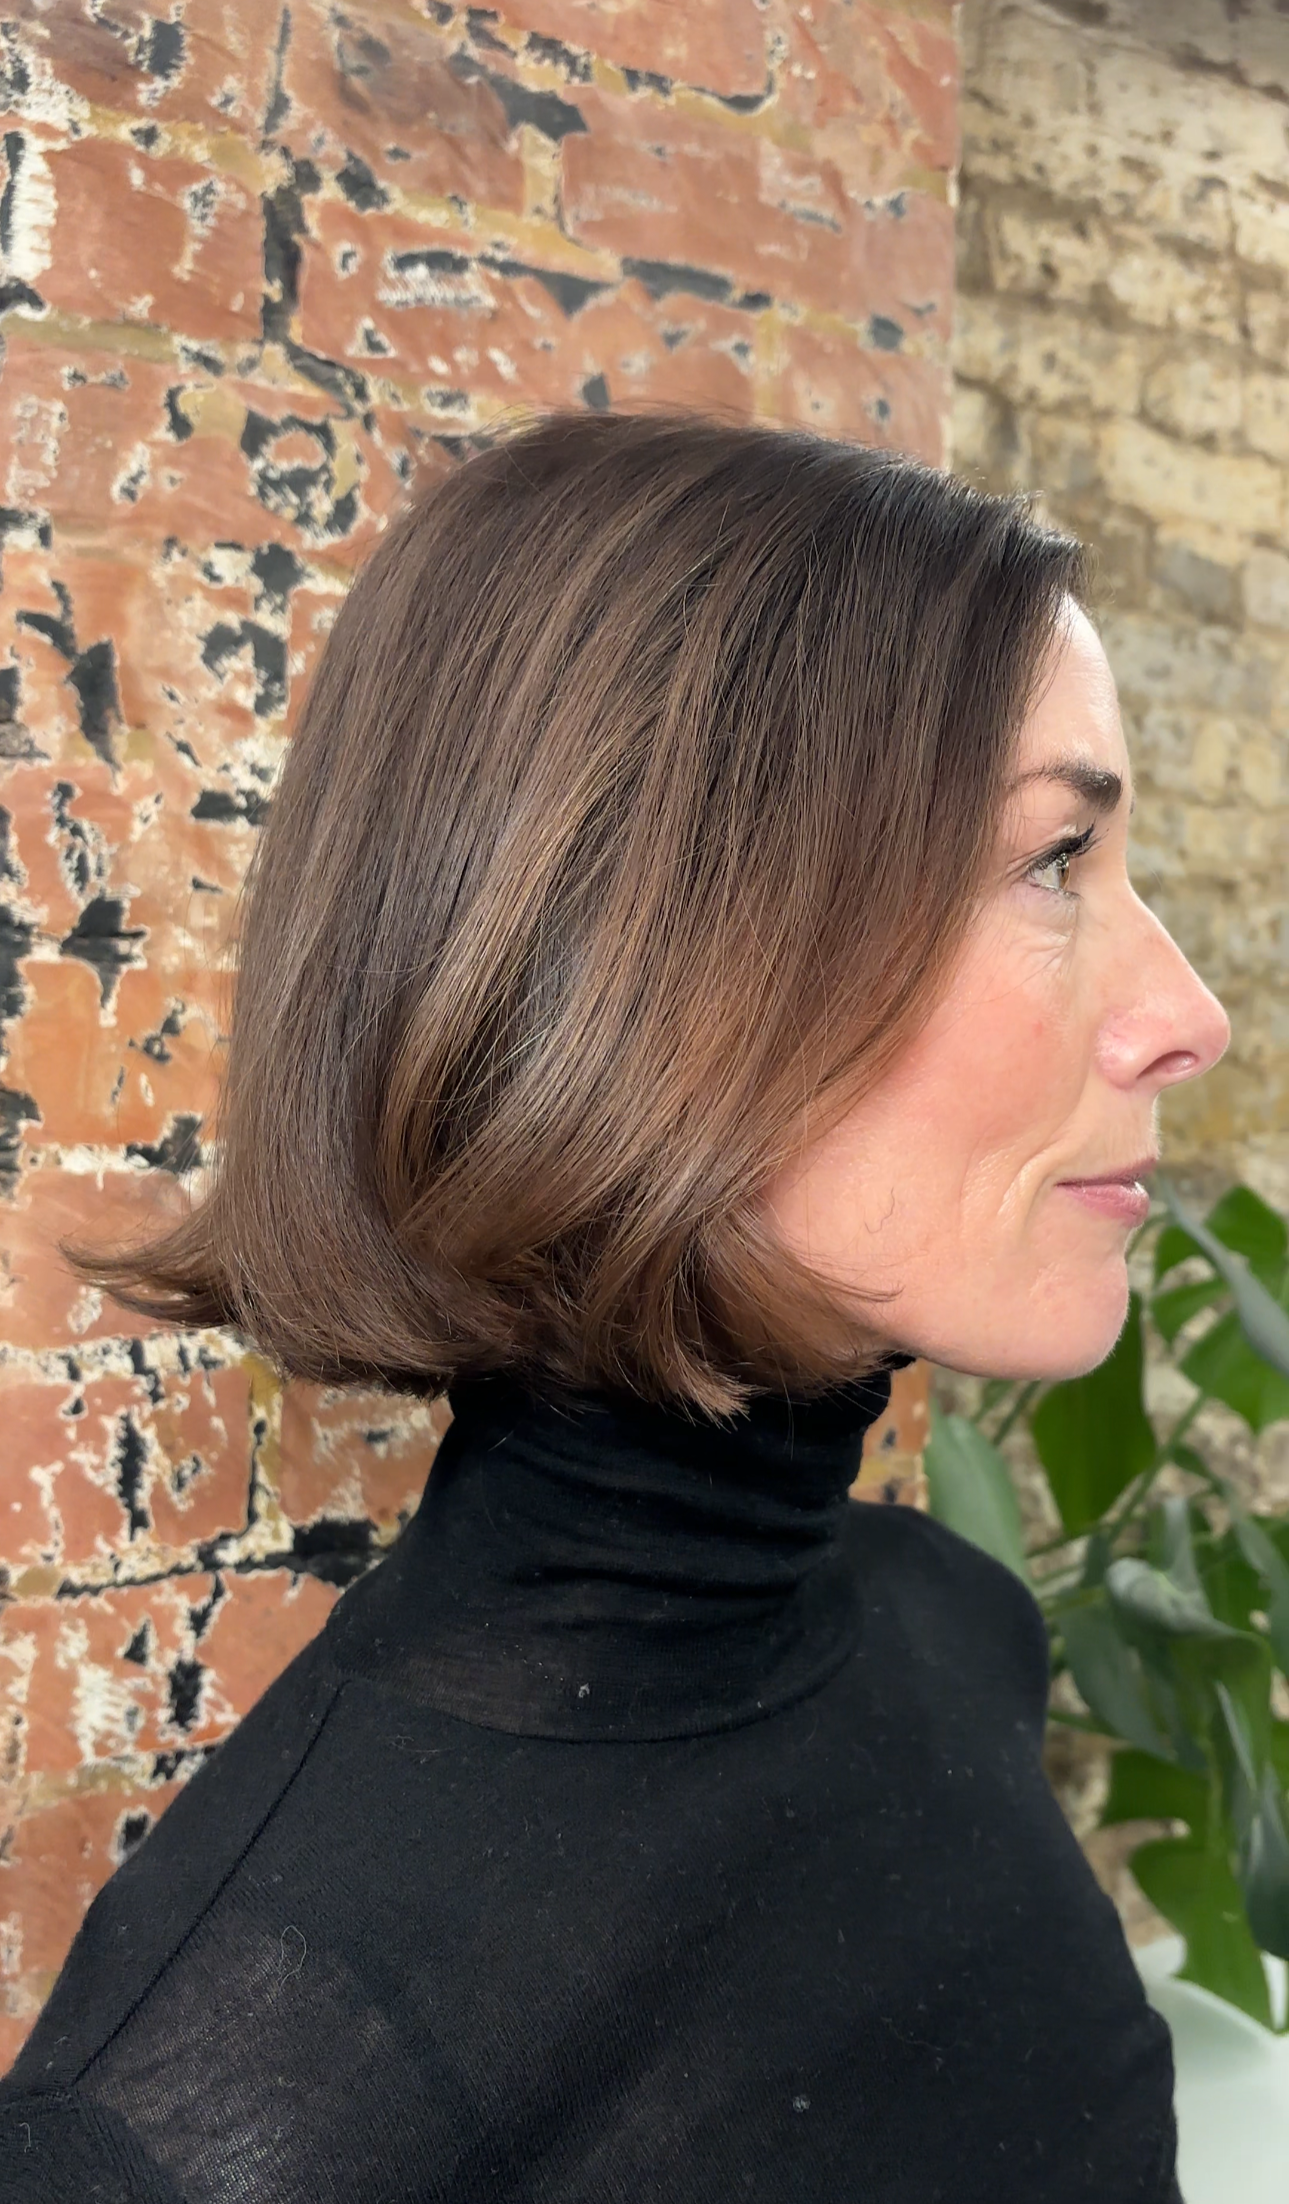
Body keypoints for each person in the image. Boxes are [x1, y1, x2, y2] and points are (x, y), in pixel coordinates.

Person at [0, 409, 1228, 2202]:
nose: (1186, 1012)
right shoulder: (219, 2120)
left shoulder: (956, 1632)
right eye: (1055, 862)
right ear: (651, 956)